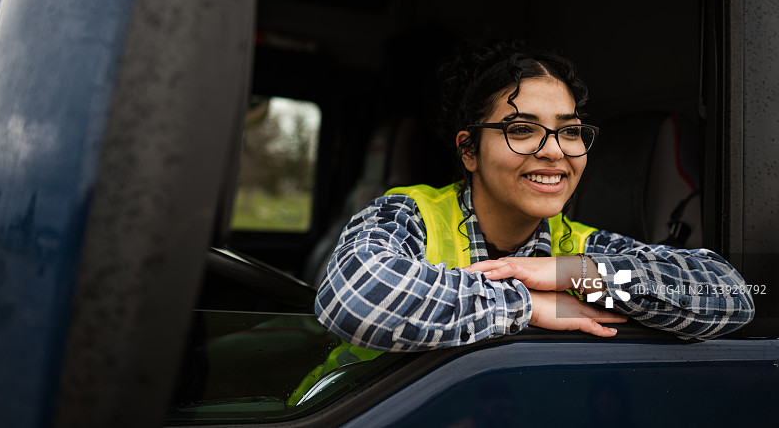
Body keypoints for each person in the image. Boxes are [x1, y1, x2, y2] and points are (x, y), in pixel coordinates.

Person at [314, 39, 755, 352]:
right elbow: (356, 296)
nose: (554, 150)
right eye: (521, 129)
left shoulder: (579, 246)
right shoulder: (408, 214)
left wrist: (582, 275)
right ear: (469, 150)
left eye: (569, 131)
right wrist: (529, 305)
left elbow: (731, 295)